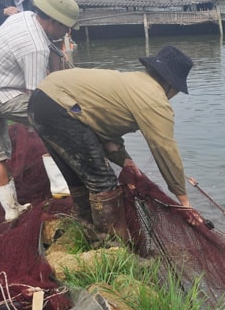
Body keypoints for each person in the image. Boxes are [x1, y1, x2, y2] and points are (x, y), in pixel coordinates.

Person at [26, 46, 203, 243]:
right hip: (60, 107)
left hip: (41, 101)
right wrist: (184, 201)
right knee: (104, 183)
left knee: (80, 177)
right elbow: (165, 149)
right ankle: (112, 248)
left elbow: (103, 128)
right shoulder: (155, 99)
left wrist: (125, 160)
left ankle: (90, 235)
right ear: (172, 85)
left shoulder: (133, 81)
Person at [0, 0, 80, 222]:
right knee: (51, 118)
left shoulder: (24, 16)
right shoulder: (35, 47)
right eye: (66, 27)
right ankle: (61, 187)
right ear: (53, 21)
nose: (67, 32)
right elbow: (38, 98)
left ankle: (11, 210)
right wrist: (72, 108)